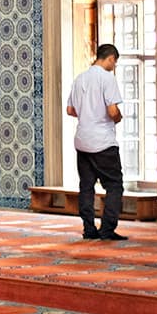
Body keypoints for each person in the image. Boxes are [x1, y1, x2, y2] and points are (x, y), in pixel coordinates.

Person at [65, 43, 128, 241]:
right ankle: (107, 229)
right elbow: (112, 111)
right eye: (114, 62)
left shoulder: (80, 78)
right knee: (114, 185)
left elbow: (70, 110)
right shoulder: (107, 78)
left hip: (82, 140)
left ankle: (89, 229)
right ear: (110, 58)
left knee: (86, 186)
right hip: (103, 142)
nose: (114, 65)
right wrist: (118, 118)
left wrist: (88, 116)